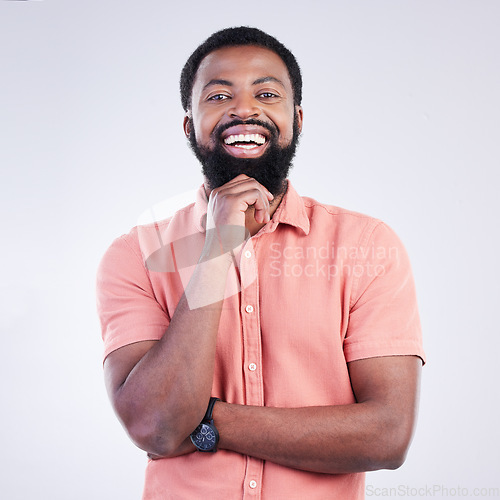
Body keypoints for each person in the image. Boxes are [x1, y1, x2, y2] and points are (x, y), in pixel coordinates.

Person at [96, 26, 425, 500]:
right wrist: (217, 248)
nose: (244, 109)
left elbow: (387, 436)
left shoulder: (367, 245)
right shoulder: (134, 257)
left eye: (266, 93)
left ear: (296, 118)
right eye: (218, 95)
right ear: (190, 125)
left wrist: (207, 420)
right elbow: (155, 426)